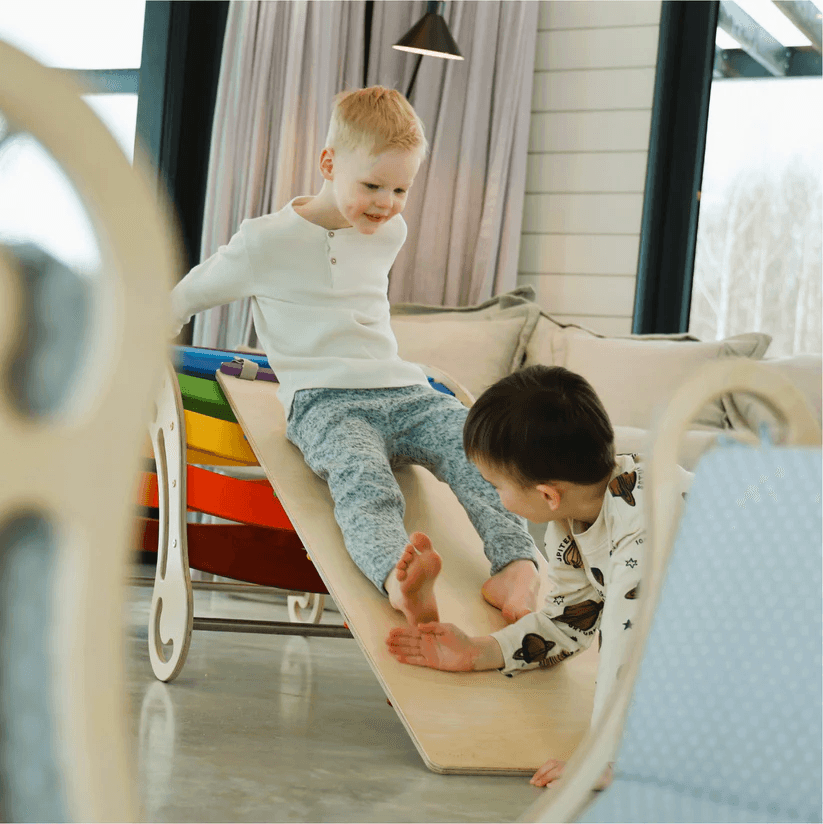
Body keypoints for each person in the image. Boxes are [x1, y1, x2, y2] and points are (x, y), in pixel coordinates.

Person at [169, 86, 542, 626]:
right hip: (325, 402)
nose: (386, 204)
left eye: (400, 189)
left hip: (404, 389)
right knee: (364, 481)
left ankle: (515, 563)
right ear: (328, 163)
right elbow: (188, 294)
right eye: (372, 185)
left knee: (479, 451)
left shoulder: (391, 231)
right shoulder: (264, 242)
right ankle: (398, 577)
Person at [386, 364, 693, 787]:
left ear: (547, 494)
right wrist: (479, 651)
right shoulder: (570, 526)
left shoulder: (646, 526)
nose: (496, 496)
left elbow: (628, 646)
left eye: (495, 486)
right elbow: (567, 624)